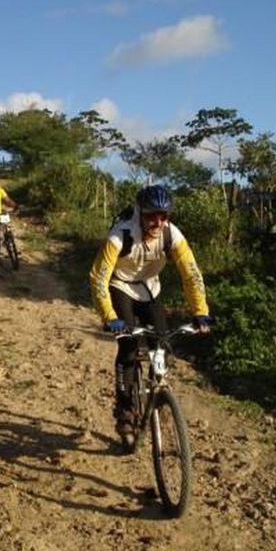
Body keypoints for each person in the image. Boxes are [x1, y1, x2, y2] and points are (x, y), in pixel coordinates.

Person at [89, 184, 211, 443]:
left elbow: (191, 273)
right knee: (129, 348)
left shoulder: (172, 235)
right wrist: (109, 317)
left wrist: (200, 311)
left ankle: (158, 397)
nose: (158, 222)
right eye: (151, 215)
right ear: (139, 212)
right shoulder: (119, 236)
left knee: (162, 344)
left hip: (150, 289)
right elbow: (98, 278)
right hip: (121, 287)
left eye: (164, 216)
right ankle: (124, 410)